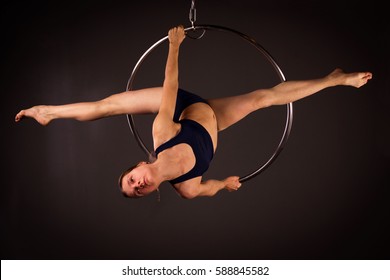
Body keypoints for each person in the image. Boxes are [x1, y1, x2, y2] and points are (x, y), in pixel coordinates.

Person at [15, 25, 373, 199]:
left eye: (131, 180)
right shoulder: (186, 188)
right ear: (149, 191)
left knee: (108, 105)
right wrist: (227, 183)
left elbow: (170, 87)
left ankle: (47, 111)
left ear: (138, 166)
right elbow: (209, 189)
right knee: (265, 98)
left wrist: (174, 46)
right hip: (210, 119)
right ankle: (334, 79)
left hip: (181, 107)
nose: (138, 185)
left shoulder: (161, 135)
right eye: (137, 191)